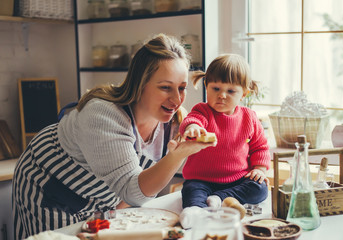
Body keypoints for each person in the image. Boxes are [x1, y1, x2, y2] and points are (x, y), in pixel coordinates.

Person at [12, 33, 215, 239]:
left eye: (182, 88)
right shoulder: (103, 115)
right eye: (165, 87)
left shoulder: (175, 123)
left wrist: (113, 216)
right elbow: (132, 188)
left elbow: (133, 193)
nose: (176, 99)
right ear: (140, 83)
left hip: (105, 196)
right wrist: (177, 156)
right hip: (52, 186)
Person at [179, 54, 271, 228]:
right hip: (201, 179)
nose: (222, 95)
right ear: (206, 86)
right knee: (191, 190)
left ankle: (219, 199)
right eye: (216, 89)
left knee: (260, 189)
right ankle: (194, 211)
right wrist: (192, 128)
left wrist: (259, 169)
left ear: (244, 93)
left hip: (237, 180)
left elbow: (260, 147)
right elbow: (192, 120)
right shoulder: (203, 110)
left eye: (230, 91)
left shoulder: (249, 117)